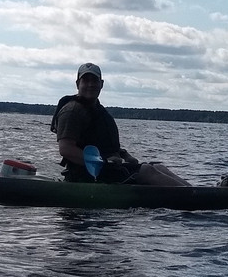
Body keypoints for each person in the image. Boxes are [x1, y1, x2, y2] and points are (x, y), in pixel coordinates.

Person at [50, 62, 193, 186]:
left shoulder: (96, 110)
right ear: (77, 84)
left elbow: (103, 143)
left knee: (158, 167)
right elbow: (66, 149)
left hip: (107, 169)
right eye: (85, 81)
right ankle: (195, 198)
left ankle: (197, 193)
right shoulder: (72, 111)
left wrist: (125, 155)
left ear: (101, 84)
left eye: (94, 80)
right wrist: (104, 162)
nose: (90, 85)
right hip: (87, 174)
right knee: (147, 171)